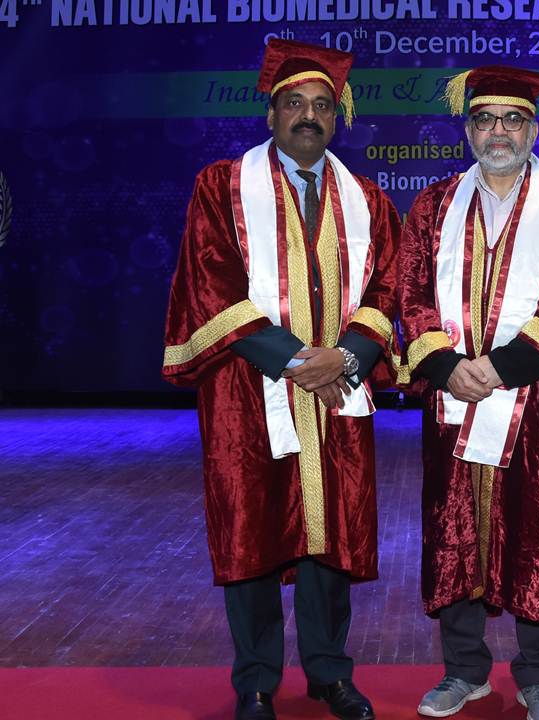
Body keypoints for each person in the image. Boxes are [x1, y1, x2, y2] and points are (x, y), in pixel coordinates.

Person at [162, 38, 400, 720]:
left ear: (337, 118)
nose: (309, 116)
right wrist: (302, 363)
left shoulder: (368, 200)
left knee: (331, 535)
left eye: (322, 105)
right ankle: (257, 681)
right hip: (249, 391)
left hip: (338, 393)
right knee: (253, 533)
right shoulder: (222, 187)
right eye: (294, 103)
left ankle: (330, 673)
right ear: (270, 114)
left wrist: (345, 357)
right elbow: (212, 285)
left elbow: (388, 288)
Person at [398, 66, 539, 720]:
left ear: (533, 129)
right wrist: (446, 365)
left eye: (512, 119)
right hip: (452, 399)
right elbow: (412, 295)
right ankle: (463, 671)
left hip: (538, 403)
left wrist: (501, 368)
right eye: (484, 119)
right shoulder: (433, 207)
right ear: (468, 129)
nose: (497, 131)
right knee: (455, 528)